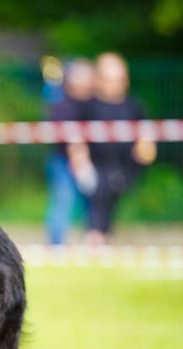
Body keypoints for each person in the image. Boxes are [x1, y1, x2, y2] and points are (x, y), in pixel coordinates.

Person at [69, 52, 156, 246]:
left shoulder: (133, 105)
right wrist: (81, 163)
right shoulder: (89, 106)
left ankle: (102, 241)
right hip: (97, 167)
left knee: (109, 213)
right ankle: (94, 240)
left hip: (124, 169)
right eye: (110, 79)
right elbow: (77, 137)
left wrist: (146, 149)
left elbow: (145, 135)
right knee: (96, 213)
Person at [44, 59, 94, 245]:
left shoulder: (91, 103)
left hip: (89, 162)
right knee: (63, 201)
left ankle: (92, 240)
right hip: (63, 161)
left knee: (90, 204)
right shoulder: (61, 103)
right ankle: (56, 244)